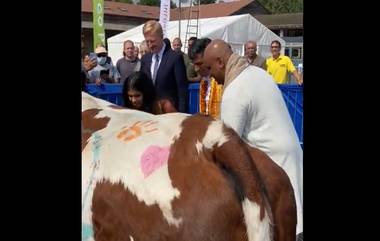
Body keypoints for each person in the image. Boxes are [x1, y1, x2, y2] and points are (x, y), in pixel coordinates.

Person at [203, 39, 303, 240]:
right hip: (291, 157)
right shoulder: (259, 74)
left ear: (221, 62)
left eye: (209, 67)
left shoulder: (235, 92)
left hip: (273, 170)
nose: (209, 74)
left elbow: (228, 149)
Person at [140, 20, 188, 113]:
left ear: (161, 37)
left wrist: (181, 115)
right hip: (149, 113)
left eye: (152, 41)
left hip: (170, 114)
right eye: (147, 41)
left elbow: (182, 90)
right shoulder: (145, 59)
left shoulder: (175, 58)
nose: (150, 45)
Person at [188, 38, 222, 119]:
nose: (196, 69)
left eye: (199, 64)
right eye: (194, 65)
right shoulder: (204, 82)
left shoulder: (224, 81)